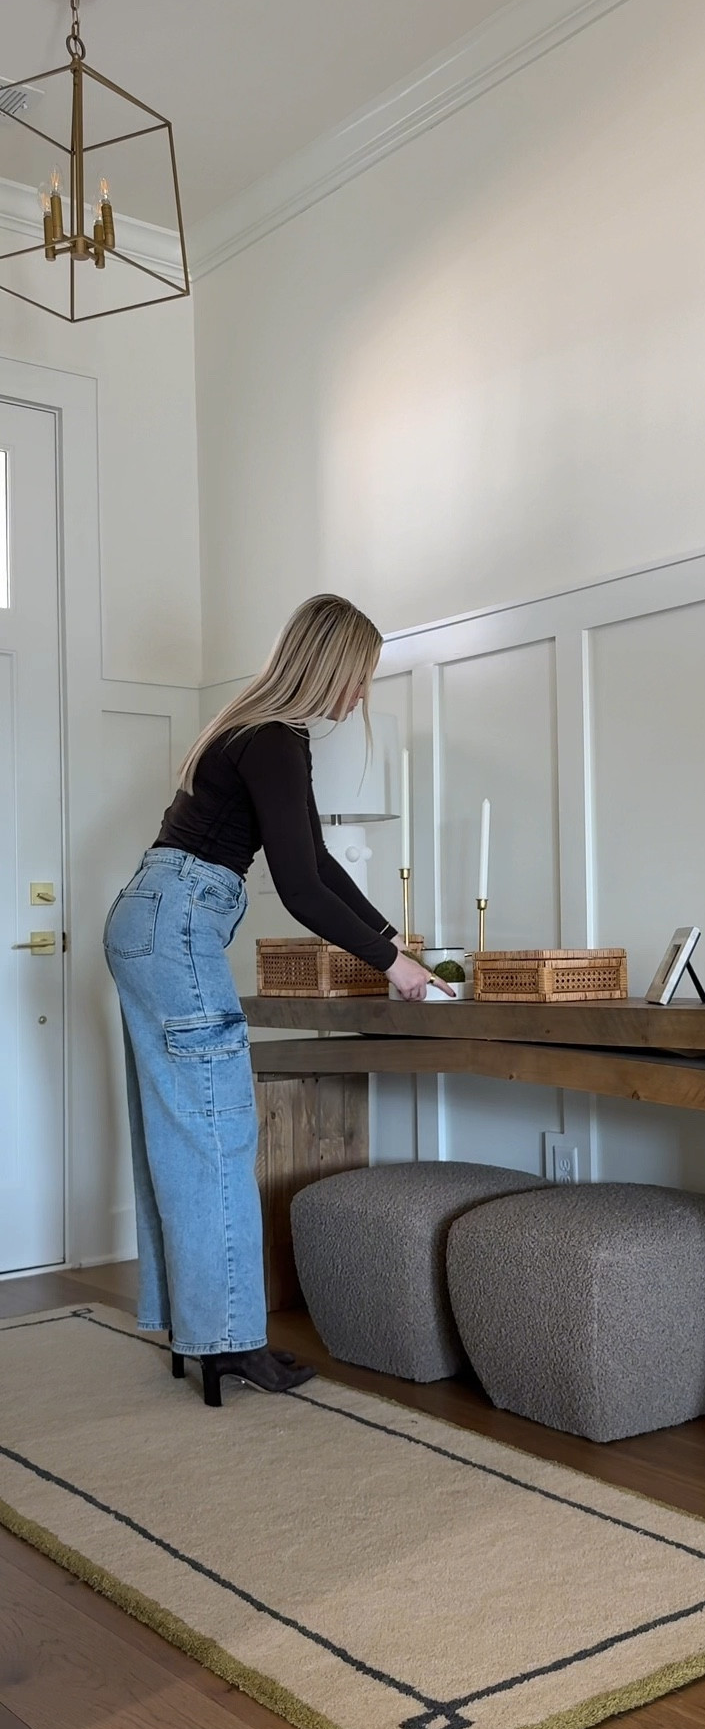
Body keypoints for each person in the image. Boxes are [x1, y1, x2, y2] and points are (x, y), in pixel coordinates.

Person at [103, 594, 452, 1407]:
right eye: (359, 679)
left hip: (153, 920)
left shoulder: (257, 732)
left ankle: (203, 1334)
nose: (359, 697)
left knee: (185, 1130)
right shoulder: (273, 738)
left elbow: (321, 865)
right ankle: (229, 1341)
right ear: (330, 667)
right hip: (179, 924)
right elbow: (298, 889)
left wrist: (396, 947)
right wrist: (392, 967)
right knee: (220, 1132)